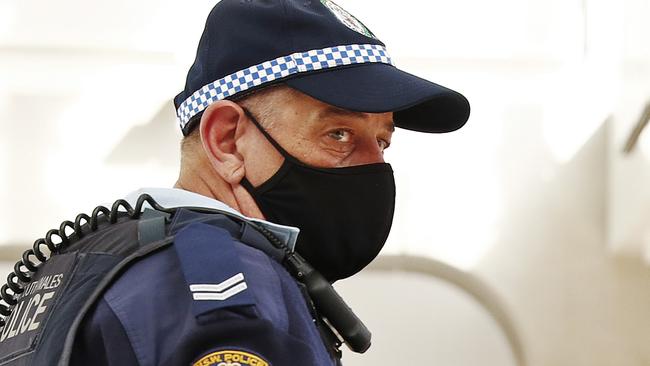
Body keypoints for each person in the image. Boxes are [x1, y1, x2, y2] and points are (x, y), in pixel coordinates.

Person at [0, 1, 469, 365]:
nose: (372, 168)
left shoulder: (94, 264)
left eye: (382, 142)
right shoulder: (226, 290)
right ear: (226, 140)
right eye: (338, 134)